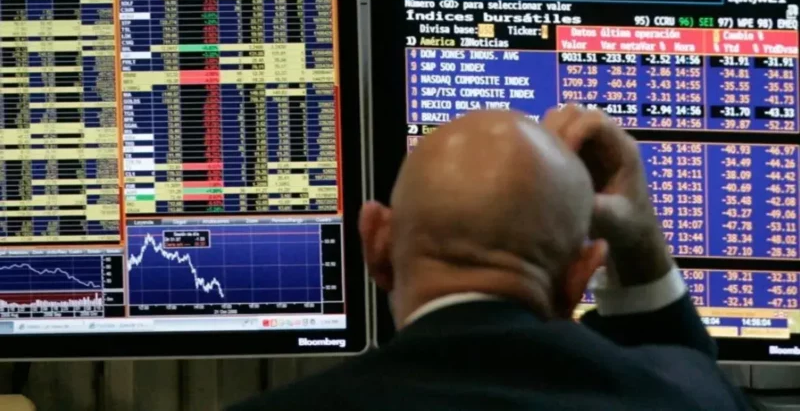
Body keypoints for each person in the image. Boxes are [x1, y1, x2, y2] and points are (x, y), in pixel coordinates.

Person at [230, 106, 749, 411]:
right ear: (578, 279)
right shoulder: (688, 401)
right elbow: (690, 373)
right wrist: (639, 244)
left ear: (376, 245)